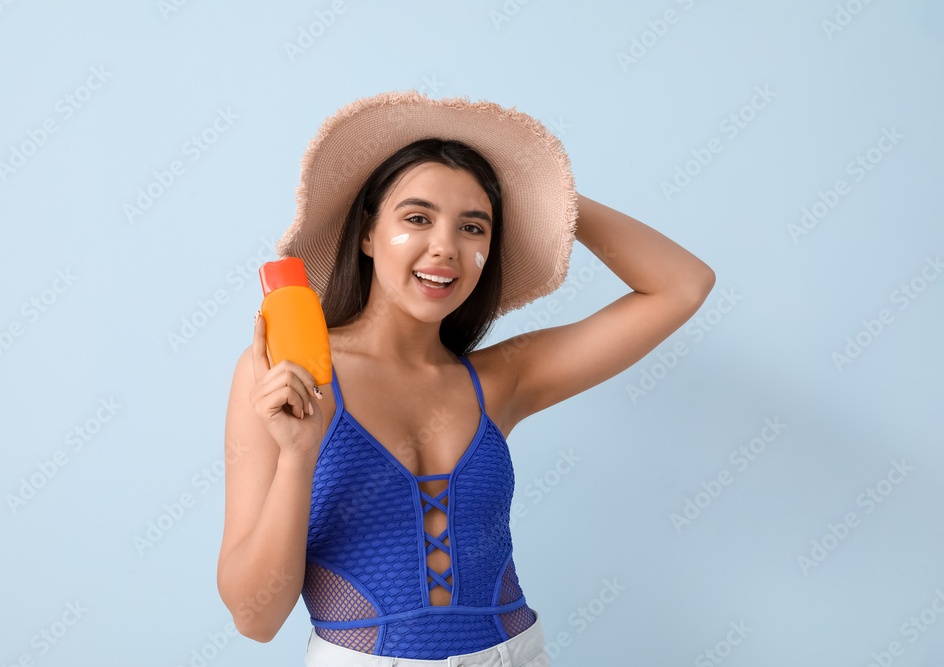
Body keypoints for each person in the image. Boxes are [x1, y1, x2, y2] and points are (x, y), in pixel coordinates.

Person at [216, 90, 715, 666]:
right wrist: (299, 457)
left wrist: (549, 198)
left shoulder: (502, 378)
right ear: (367, 234)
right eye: (417, 217)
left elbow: (683, 285)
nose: (445, 247)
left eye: (473, 226)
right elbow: (255, 619)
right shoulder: (288, 374)